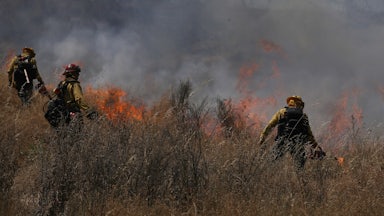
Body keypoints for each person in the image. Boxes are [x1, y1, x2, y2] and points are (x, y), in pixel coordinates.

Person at [258, 95, 325, 170]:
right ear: (300, 104)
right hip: (297, 143)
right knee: (299, 166)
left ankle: (268, 175)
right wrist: (316, 146)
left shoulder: (282, 112)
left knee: (272, 162)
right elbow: (309, 134)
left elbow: (270, 125)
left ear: (289, 102)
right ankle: (299, 179)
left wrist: (262, 137)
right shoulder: (303, 116)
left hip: (282, 140)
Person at [44, 63, 97, 129]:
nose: (78, 75)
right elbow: (79, 99)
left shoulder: (62, 83)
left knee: (65, 132)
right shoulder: (74, 84)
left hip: (63, 113)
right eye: (77, 73)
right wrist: (88, 111)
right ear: (72, 74)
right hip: (73, 112)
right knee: (78, 132)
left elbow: (56, 93)